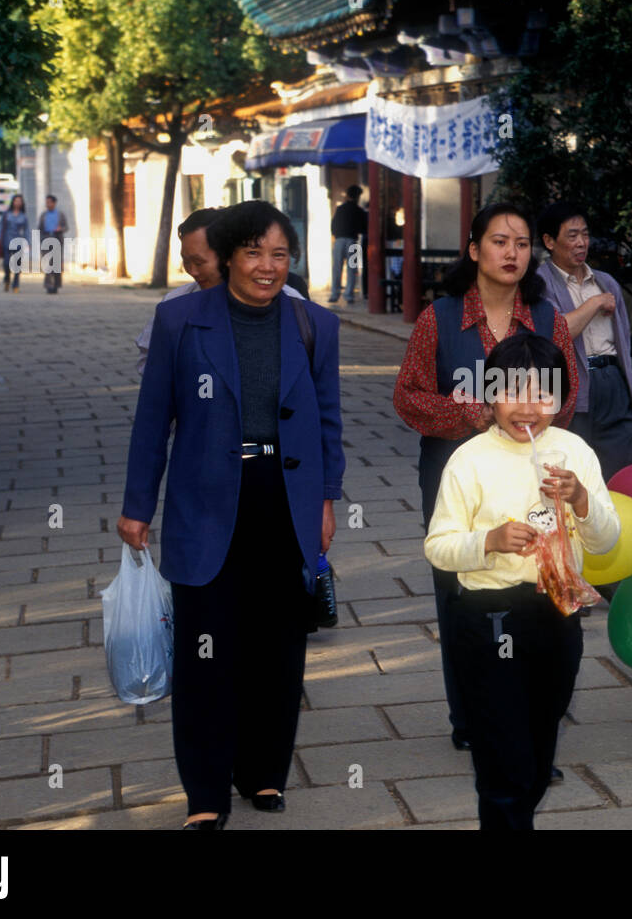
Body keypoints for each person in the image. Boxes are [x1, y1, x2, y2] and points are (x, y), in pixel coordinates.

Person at [119, 199, 344, 829]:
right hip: (204, 497)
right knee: (206, 647)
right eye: (254, 252)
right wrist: (138, 504)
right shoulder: (179, 321)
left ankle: (265, 772)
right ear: (227, 256)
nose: (268, 267)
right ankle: (207, 792)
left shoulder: (314, 326)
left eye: (280, 254)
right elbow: (151, 420)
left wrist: (327, 499)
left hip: (284, 495)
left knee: (277, 644)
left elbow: (328, 421)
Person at [394, 202, 580, 758]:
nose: (511, 253)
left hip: (532, 473)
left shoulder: (547, 321)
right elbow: (409, 396)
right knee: (459, 590)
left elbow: (566, 399)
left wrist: (527, 422)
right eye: (499, 242)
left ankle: (532, 707)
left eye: (522, 244)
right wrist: (473, 416)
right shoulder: (440, 318)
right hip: (456, 473)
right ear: (474, 250)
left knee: (537, 586)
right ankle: (471, 712)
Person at [425, 333, 618, 828]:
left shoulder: (574, 451)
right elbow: (439, 546)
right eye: (512, 392)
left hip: (556, 613)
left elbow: (605, 542)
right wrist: (487, 541)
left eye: (542, 394)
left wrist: (580, 502)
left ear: (562, 396)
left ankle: (516, 809)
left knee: (539, 740)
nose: (527, 407)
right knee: (502, 752)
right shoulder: (469, 460)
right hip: (490, 617)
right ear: (491, 393)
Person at [537, 201, 632, 482]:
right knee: (575, 470)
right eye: (572, 236)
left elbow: (624, 343)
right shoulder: (539, 283)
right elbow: (558, 332)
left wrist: (626, 382)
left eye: (585, 234)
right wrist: (594, 303)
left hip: (612, 380)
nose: (582, 242)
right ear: (549, 241)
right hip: (572, 385)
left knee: (622, 471)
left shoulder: (606, 282)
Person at [134, 208, 306, 376]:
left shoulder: (292, 304)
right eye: (186, 261)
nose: (192, 271)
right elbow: (149, 362)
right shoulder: (175, 304)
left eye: (199, 262)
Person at [328, 184, 367, 305]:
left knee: (337, 268)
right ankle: (349, 295)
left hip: (339, 240)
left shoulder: (340, 209)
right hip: (353, 242)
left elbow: (333, 226)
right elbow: (363, 228)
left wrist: (337, 235)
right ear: (358, 197)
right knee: (352, 269)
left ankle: (335, 294)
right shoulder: (360, 211)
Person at [0, 194, 29, 293]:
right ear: (13, 202)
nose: (18, 203)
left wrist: (28, 242)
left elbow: (26, 230)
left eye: (19, 201)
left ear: (22, 203)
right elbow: (1, 226)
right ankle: (7, 278)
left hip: (19, 241)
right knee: (6, 263)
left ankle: (16, 284)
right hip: (7, 240)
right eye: (16, 201)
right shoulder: (7, 214)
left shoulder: (24, 216)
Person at [39, 194, 69, 294]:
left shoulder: (60, 214)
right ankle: (48, 285)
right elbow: (40, 228)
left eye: (49, 202)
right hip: (46, 240)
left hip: (57, 239)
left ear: (54, 203)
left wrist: (61, 229)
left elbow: (66, 227)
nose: (47, 204)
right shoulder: (43, 215)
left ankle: (56, 285)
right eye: (46, 202)